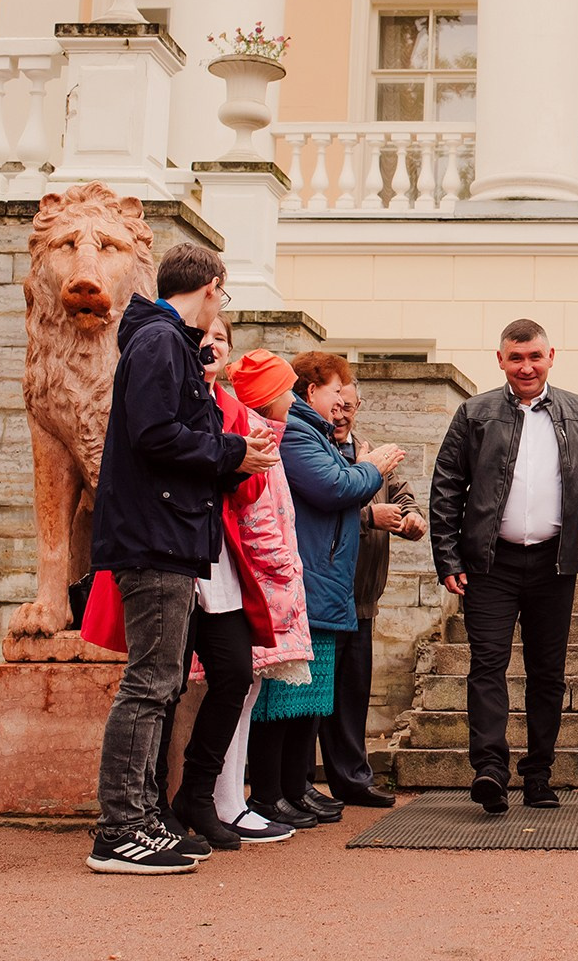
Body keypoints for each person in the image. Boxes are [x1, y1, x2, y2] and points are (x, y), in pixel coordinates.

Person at [86, 243, 278, 875]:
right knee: (149, 684)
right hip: (156, 536)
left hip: (161, 532)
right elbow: (155, 435)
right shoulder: (161, 341)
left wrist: (226, 453)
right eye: (223, 294)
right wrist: (231, 453)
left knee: (158, 682)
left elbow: (162, 431)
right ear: (212, 286)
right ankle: (121, 827)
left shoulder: (162, 341)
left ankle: (140, 819)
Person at [430, 318, 578, 814]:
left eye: (535, 357)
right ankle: (490, 770)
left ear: (551, 357)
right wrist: (448, 557)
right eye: (516, 358)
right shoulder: (474, 413)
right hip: (490, 564)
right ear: (501, 360)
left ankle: (539, 774)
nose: (527, 367)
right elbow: (446, 488)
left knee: (547, 672)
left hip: (554, 564)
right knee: (487, 666)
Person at [244, 353, 404, 829]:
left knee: (309, 699)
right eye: (337, 390)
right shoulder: (295, 431)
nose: (343, 402)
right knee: (283, 698)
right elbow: (333, 487)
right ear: (310, 392)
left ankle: (295, 787)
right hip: (309, 577)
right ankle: (270, 795)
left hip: (325, 579)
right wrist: (371, 467)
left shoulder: (310, 432)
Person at [147, 317, 287, 852]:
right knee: (165, 682)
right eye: (204, 337)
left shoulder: (233, 407)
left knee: (233, 674)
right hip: (172, 547)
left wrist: (245, 458)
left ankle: (197, 795)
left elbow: (249, 491)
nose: (212, 346)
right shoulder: (175, 388)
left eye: (222, 339)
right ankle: (156, 801)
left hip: (220, 553)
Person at [210, 348, 317, 844]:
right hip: (257, 584)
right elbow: (257, 519)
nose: (293, 399)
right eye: (287, 390)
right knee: (237, 693)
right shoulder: (253, 438)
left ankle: (229, 799)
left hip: (263, 582)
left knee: (246, 694)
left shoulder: (264, 438)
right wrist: (282, 569)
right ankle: (224, 801)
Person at [319, 380, 426, 807]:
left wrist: (413, 518)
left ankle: (352, 780)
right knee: (313, 697)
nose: (342, 413)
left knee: (351, 696)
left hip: (362, 600)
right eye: (336, 404)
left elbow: (403, 496)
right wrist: (368, 516)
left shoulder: (374, 453)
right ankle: (301, 784)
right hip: (325, 599)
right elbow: (320, 503)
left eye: (350, 405)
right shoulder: (315, 449)